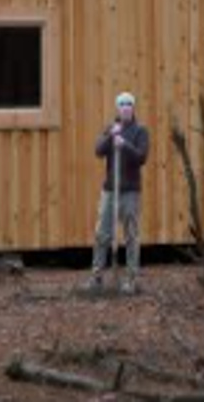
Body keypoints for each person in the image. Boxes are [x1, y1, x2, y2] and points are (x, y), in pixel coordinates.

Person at [86, 91, 149, 294]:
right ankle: (96, 277)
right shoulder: (111, 129)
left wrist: (125, 145)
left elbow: (141, 157)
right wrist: (111, 137)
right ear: (117, 108)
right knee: (102, 234)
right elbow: (98, 151)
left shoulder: (140, 131)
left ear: (133, 108)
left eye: (129, 104)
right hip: (110, 190)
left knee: (131, 234)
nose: (125, 108)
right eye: (122, 104)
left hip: (130, 191)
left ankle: (131, 279)